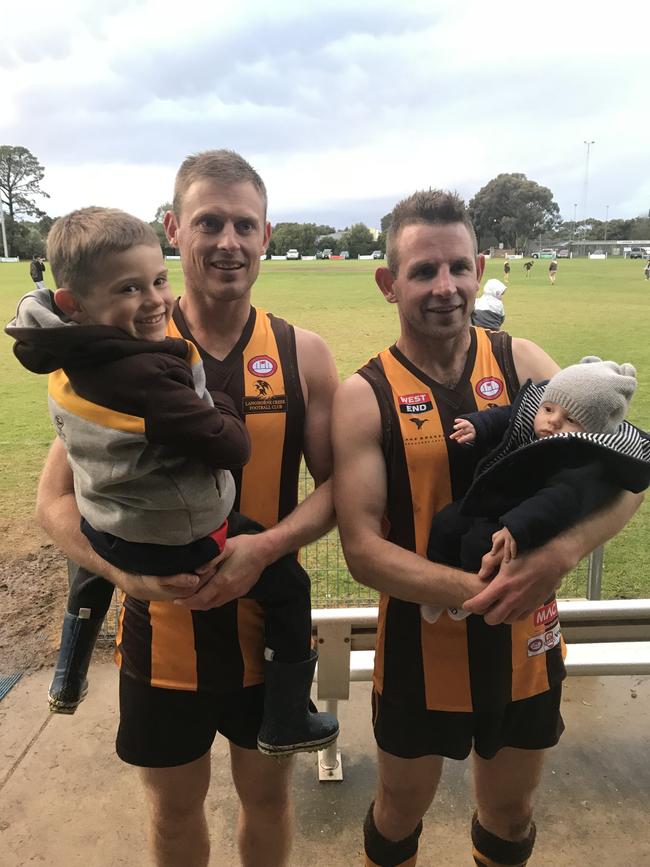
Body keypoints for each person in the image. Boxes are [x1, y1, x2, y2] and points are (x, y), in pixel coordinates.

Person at [34, 150, 340, 867]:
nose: (227, 241)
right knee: (173, 815)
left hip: (267, 641)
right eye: (208, 222)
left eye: (244, 224)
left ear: (268, 234)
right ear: (175, 228)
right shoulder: (115, 353)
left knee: (267, 801)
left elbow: (341, 495)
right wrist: (126, 574)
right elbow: (54, 503)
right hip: (158, 640)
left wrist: (265, 548)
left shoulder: (304, 353)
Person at [331, 189, 642, 867]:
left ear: (478, 268)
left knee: (510, 812)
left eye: (457, 267)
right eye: (423, 271)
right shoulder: (364, 395)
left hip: (525, 645)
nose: (445, 287)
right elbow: (361, 550)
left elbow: (623, 474)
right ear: (390, 283)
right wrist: (486, 588)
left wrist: (555, 554)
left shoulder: (526, 365)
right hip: (419, 645)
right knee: (397, 812)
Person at [421, 356, 649, 625]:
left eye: (571, 419)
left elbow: (561, 499)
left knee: (479, 546)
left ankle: (478, 597)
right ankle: (438, 589)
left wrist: (517, 527)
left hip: (524, 520)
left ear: (592, 432)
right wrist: (479, 427)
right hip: (491, 499)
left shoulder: (582, 461)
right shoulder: (536, 416)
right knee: (446, 522)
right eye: (549, 409)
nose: (552, 422)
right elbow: (508, 416)